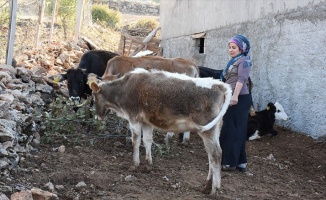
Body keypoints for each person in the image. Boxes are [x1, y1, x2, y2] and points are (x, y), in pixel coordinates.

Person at [219, 34, 252, 172]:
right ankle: (240, 162)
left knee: (232, 129)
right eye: (230, 47)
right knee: (235, 129)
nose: (231, 50)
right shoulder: (234, 61)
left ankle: (230, 163)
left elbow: (242, 79)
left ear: (241, 48)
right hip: (233, 97)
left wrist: (235, 96)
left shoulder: (244, 60)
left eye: (234, 47)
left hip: (239, 98)